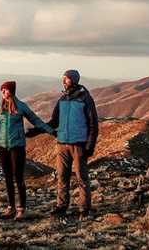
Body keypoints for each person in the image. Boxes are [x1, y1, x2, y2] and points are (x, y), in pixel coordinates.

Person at [0, 80, 55, 220]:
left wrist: (51, 131)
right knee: (7, 178)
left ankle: (21, 209)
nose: (4, 93)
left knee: (18, 178)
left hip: (17, 147)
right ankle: (11, 208)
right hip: (3, 147)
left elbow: (36, 121)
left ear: (12, 91)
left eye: (6, 90)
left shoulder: (21, 107)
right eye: (2, 90)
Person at [46, 69, 99, 220]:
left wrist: (90, 146)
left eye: (66, 79)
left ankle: (84, 208)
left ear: (74, 80)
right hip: (62, 143)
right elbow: (54, 121)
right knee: (62, 177)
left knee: (82, 177)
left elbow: (93, 124)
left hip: (79, 144)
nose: (63, 81)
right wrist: (39, 129)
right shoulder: (62, 99)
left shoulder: (85, 98)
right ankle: (61, 206)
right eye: (63, 78)